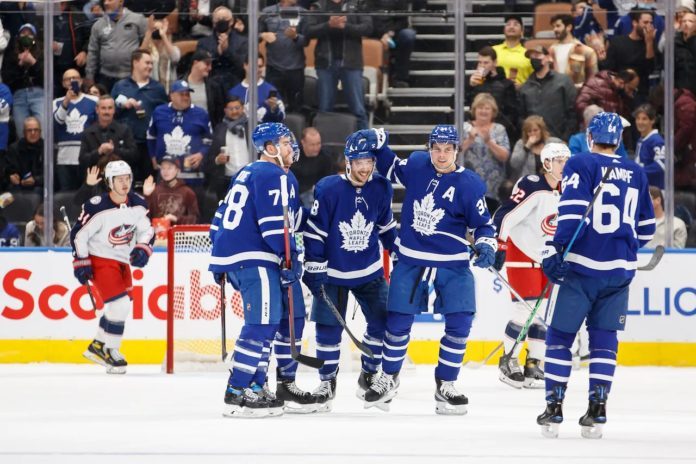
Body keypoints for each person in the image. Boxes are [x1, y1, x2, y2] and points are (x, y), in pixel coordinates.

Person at [363, 125, 497, 415]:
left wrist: (487, 244)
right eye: (436, 148)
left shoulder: (470, 184)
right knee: (397, 322)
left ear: (456, 151)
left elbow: (482, 224)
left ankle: (446, 384)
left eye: (447, 149)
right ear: (429, 148)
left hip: (453, 263)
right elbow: (389, 169)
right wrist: (380, 142)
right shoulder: (418, 165)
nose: (441, 154)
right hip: (411, 258)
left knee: (460, 324)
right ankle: (388, 377)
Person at [537, 112, 655, 439]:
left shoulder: (581, 164)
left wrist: (554, 249)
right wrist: (619, 246)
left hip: (580, 268)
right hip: (619, 272)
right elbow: (645, 228)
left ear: (590, 138)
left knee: (560, 337)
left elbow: (572, 212)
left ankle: (554, 407)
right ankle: (597, 409)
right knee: (605, 340)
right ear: (618, 140)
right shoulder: (636, 172)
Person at [209, 122, 315, 418]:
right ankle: (237, 389)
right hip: (255, 257)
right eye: (284, 143)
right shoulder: (275, 174)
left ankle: (255, 386)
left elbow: (218, 218)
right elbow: (274, 228)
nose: (290, 147)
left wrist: (219, 257)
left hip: (239, 256)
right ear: (269, 148)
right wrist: (290, 258)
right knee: (261, 325)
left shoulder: (245, 172)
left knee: (267, 324)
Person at [303, 130, 397, 412]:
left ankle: (368, 374)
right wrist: (314, 265)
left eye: (369, 161)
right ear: (348, 161)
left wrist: (401, 253)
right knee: (328, 329)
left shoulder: (381, 187)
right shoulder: (329, 188)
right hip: (332, 272)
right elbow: (315, 231)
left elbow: (386, 228)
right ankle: (327, 383)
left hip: (368, 270)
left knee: (383, 321)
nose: (365, 167)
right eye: (359, 161)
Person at [492, 142, 571, 390]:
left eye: (567, 161)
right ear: (547, 163)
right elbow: (505, 214)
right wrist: (499, 245)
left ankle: (533, 363)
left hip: (546, 257)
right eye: (559, 161)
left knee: (543, 312)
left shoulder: (568, 189)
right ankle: (508, 360)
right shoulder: (531, 185)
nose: (564, 166)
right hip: (521, 251)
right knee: (524, 311)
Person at [71, 160, 154, 374]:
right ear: (109, 182)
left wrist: (143, 247)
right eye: (119, 179)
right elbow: (79, 235)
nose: (125, 183)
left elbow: (148, 230)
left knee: (119, 306)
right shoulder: (97, 206)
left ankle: (97, 346)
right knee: (121, 305)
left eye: (127, 178)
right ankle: (111, 350)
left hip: (122, 261)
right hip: (100, 259)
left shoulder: (138, 204)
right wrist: (81, 261)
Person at [306, 0, 373, 129]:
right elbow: (308, 30)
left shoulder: (357, 4)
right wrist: (328, 25)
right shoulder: (319, 5)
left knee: (358, 109)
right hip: (325, 64)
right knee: (324, 109)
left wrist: (345, 26)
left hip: (351, 63)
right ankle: (321, 145)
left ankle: (366, 145)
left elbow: (368, 28)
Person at [111, 49, 168, 183]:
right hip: (125, 145)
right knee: (124, 182)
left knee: (149, 183)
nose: (150, 66)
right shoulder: (120, 86)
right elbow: (109, 112)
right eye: (147, 63)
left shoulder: (158, 88)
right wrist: (122, 105)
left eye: (151, 64)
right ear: (135, 63)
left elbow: (165, 114)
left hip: (149, 145)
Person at [147, 80, 213, 187]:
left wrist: (201, 154)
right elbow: (151, 136)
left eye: (187, 94)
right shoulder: (159, 112)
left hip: (192, 175)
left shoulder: (201, 114)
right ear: (171, 95)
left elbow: (209, 140)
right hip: (166, 175)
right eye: (181, 94)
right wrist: (153, 157)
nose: (185, 97)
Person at [460, 93, 510, 211]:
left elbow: (504, 156)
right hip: (469, 186)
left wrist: (489, 142)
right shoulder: (464, 127)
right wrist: (469, 140)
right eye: (480, 107)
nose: (483, 111)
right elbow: (454, 154)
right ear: (474, 110)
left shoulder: (499, 129)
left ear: (493, 111)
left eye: (487, 108)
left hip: (494, 190)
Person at [85, 0, 148, 91]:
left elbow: (147, 43)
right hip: (105, 78)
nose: (106, 3)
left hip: (131, 76)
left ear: (121, 2)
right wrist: (89, 76)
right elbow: (93, 52)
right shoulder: (98, 25)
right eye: (105, 0)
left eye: (110, 0)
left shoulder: (137, 19)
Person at [519, 45, 577, 142]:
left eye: (537, 55)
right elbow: (521, 118)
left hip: (559, 140)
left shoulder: (563, 81)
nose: (534, 59)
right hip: (534, 142)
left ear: (548, 58)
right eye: (531, 57)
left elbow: (573, 112)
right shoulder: (525, 87)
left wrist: (566, 138)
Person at [53, 69, 98, 191]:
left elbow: (98, 127)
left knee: (88, 193)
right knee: (66, 196)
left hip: (87, 156)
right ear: (63, 83)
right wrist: (66, 101)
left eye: (75, 78)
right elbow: (57, 122)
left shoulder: (93, 101)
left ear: (81, 81)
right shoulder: (56, 103)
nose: (72, 81)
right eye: (68, 79)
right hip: (64, 158)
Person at [260, 0, 309, 112]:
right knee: (272, 107)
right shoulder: (267, 12)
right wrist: (263, 34)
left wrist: (295, 37)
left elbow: (307, 41)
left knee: (296, 108)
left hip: (295, 70)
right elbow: (255, 34)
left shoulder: (303, 13)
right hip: (274, 69)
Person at [602, 8, 656, 101]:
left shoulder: (650, 44)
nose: (649, 26)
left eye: (651, 23)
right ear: (635, 23)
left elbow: (650, 69)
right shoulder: (617, 42)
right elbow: (608, 68)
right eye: (645, 22)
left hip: (640, 94)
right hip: (619, 92)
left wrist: (649, 43)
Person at [205, 95, 251, 200]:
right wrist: (217, 160)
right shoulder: (219, 129)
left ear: (243, 108)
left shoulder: (252, 127)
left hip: (250, 179)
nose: (234, 111)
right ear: (225, 111)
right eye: (231, 109)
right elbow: (210, 157)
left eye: (237, 108)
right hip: (227, 182)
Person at [468, 46, 519, 141]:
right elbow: (454, 104)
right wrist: (469, 86)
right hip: (476, 131)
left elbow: (513, 113)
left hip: (499, 132)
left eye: (486, 62)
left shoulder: (506, 84)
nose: (482, 66)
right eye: (479, 62)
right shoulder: (473, 82)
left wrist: (497, 128)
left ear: (495, 63)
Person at [79, 95, 138, 177]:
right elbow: (82, 160)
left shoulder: (124, 130)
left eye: (110, 108)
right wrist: (99, 151)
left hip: (120, 177)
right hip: (96, 178)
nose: (107, 111)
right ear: (97, 110)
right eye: (103, 108)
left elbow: (134, 155)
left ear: (114, 110)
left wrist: (114, 150)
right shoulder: (87, 132)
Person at [1, 23, 44, 135]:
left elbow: (47, 78)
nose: (26, 36)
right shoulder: (11, 54)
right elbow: (7, 78)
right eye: (23, 33)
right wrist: (19, 64)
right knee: (22, 133)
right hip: (18, 95)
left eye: (30, 34)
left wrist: (33, 62)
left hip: (39, 94)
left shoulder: (42, 52)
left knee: (41, 131)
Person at [195, 6, 248, 88]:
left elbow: (243, 66)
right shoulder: (203, 43)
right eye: (218, 18)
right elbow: (200, 66)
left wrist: (227, 51)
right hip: (211, 86)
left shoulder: (243, 42)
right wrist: (217, 52)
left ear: (231, 21)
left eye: (224, 18)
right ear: (213, 22)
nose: (221, 21)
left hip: (235, 84)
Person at [143, 155, 200, 225]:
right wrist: (147, 196)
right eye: (163, 168)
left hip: (179, 233)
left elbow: (195, 219)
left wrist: (176, 219)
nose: (165, 171)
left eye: (169, 168)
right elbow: (145, 217)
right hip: (159, 231)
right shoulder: (155, 190)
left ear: (177, 170)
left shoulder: (187, 192)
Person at [228, 55, 286, 124]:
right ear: (245, 66)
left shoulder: (271, 90)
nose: (257, 69)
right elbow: (228, 118)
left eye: (260, 66)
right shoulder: (234, 92)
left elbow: (282, 118)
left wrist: (274, 109)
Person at [548, 14, 598, 88]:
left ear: (569, 27)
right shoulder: (551, 50)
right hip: (555, 93)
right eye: (553, 27)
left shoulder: (586, 51)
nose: (554, 30)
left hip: (577, 94)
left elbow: (593, 79)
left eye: (558, 26)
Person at [290, 127, 335, 208]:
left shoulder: (326, 156)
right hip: (301, 194)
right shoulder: (293, 158)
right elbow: (292, 184)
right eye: (312, 145)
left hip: (321, 191)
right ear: (303, 143)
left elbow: (331, 179)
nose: (316, 148)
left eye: (318, 143)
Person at [509, 115, 562, 181]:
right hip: (530, 185)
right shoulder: (521, 144)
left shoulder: (555, 142)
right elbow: (514, 164)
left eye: (535, 130)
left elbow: (565, 162)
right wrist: (527, 146)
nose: (533, 133)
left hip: (553, 183)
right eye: (529, 131)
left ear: (541, 130)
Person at [185, 49, 226, 127]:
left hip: (207, 129)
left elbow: (219, 114)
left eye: (211, 64)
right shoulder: (181, 85)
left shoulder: (214, 87)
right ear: (195, 63)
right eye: (207, 64)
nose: (210, 68)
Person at [4, 117, 43, 192]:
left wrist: (35, 180)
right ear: (24, 132)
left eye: (36, 130)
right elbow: (7, 171)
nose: (33, 133)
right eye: (29, 130)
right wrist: (11, 177)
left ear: (40, 132)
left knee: (38, 191)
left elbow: (52, 175)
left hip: (39, 186)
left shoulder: (46, 149)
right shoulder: (13, 149)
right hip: (18, 186)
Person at [492, 15, 533, 87]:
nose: (511, 27)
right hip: (495, 94)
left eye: (515, 24)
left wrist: (522, 87)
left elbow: (534, 82)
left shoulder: (528, 54)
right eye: (508, 24)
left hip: (519, 95)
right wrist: (476, 81)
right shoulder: (493, 50)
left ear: (522, 31)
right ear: (504, 30)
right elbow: (482, 72)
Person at [633, 103, 665, 189]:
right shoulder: (641, 140)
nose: (640, 122)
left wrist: (639, 171)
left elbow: (661, 165)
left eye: (644, 119)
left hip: (655, 191)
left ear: (652, 120)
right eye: (638, 118)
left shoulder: (657, 141)